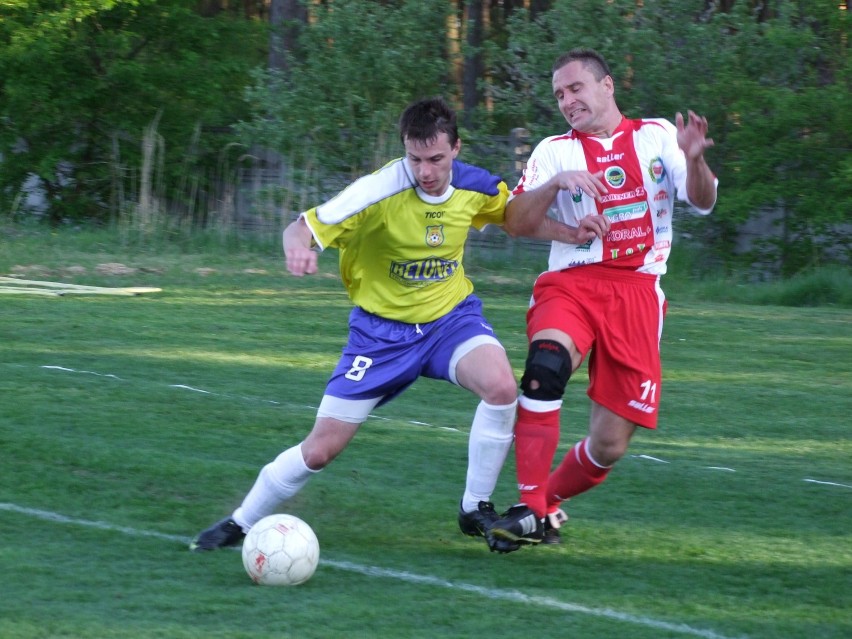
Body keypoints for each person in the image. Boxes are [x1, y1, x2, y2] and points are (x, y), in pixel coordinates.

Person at [191, 97, 521, 553]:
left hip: (449, 320)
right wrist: (297, 246)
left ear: (457, 149)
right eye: (415, 159)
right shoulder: (376, 192)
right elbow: (300, 227)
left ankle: (474, 508)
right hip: (381, 335)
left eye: (436, 159)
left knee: (502, 387)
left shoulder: (479, 186)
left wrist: (569, 223)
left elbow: (518, 218)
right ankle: (240, 522)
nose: (425, 171)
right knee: (320, 450)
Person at [487, 48, 718, 550]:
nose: (567, 101)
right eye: (559, 95)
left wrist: (695, 159)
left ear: (607, 85)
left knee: (610, 444)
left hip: (637, 292)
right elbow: (515, 222)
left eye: (575, 89)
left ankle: (541, 509)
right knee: (545, 368)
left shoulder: (658, 136)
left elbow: (702, 201)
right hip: (571, 283)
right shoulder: (553, 150)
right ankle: (531, 506)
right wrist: (555, 184)